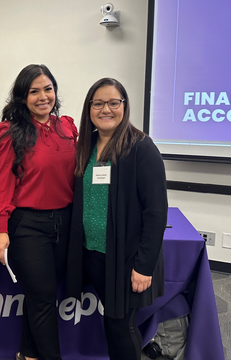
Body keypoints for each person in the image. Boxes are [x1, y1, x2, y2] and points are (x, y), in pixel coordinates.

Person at [66, 78, 168, 360]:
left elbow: (156, 212)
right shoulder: (84, 146)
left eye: (114, 103)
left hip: (126, 260)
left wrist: (144, 267)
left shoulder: (141, 148)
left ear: (124, 106)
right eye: (98, 103)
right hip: (93, 255)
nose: (105, 109)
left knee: (119, 326)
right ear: (89, 108)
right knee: (113, 323)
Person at [0, 64, 77, 360]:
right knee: (42, 300)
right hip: (28, 226)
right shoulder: (10, 133)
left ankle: (28, 354)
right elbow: (0, 185)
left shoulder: (67, 127)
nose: (42, 96)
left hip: (65, 222)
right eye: (34, 91)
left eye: (47, 89)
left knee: (43, 296)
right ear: (22, 97)